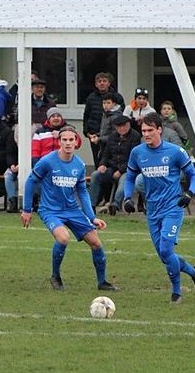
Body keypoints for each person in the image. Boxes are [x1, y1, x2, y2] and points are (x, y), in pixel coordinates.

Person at [22, 125, 119, 292]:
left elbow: (82, 191)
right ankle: (55, 276)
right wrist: (26, 209)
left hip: (72, 210)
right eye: (64, 140)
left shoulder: (79, 165)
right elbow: (31, 181)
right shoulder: (47, 161)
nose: (68, 143)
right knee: (63, 238)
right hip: (50, 210)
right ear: (59, 142)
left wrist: (92, 217)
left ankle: (102, 282)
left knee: (96, 243)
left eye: (71, 140)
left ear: (76, 142)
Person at [122, 113, 195, 303]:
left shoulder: (175, 152)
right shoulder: (137, 153)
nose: (146, 134)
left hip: (173, 207)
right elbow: (130, 177)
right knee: (164, 257)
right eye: (143, 131)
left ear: (160, 129)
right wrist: (127, 198)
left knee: (166, 251)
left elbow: (194, 175)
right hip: (152, 210)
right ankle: (194, 272)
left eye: (150, 130)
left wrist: (189, 193)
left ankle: (176, 293)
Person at [91, 114, 141, 214]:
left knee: (124, 182)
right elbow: (106, 154)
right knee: (95, 175)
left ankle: (115, 205)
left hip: (128, 169)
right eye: (119, 126)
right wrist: (102, 164)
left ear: (129, 125)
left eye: (124, 126)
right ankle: (91, 205)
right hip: (112, 167)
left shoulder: (135, 136)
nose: (122, 128)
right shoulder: (112, 137)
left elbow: (134, 158)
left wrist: (121, 170)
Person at [83, 72, 125, 166]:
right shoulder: (91, 98)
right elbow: (86, 115)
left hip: (111, 136)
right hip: (94, 134)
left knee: (111, 161)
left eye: (104, 81)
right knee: (97, 160)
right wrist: (86, 132)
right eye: (99, 81)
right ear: (96, 84)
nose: (102, 83)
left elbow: (122, 116)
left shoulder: (117, 97)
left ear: (109, 83)